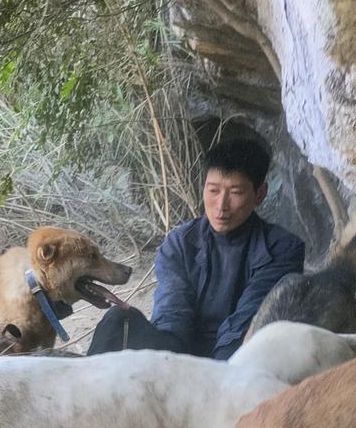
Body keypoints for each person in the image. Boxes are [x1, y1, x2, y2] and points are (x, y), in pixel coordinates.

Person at [87, 138, 305, 359]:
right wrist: (175, 364)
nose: (221, 206)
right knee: (118, 319)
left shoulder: (282, 248)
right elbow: (172, 315)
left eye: (236, 192)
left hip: (240, 355)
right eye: (213, 191)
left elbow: (247, 321)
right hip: (179, 350)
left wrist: (216, 375)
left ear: (260, 194)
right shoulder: (179, 244)